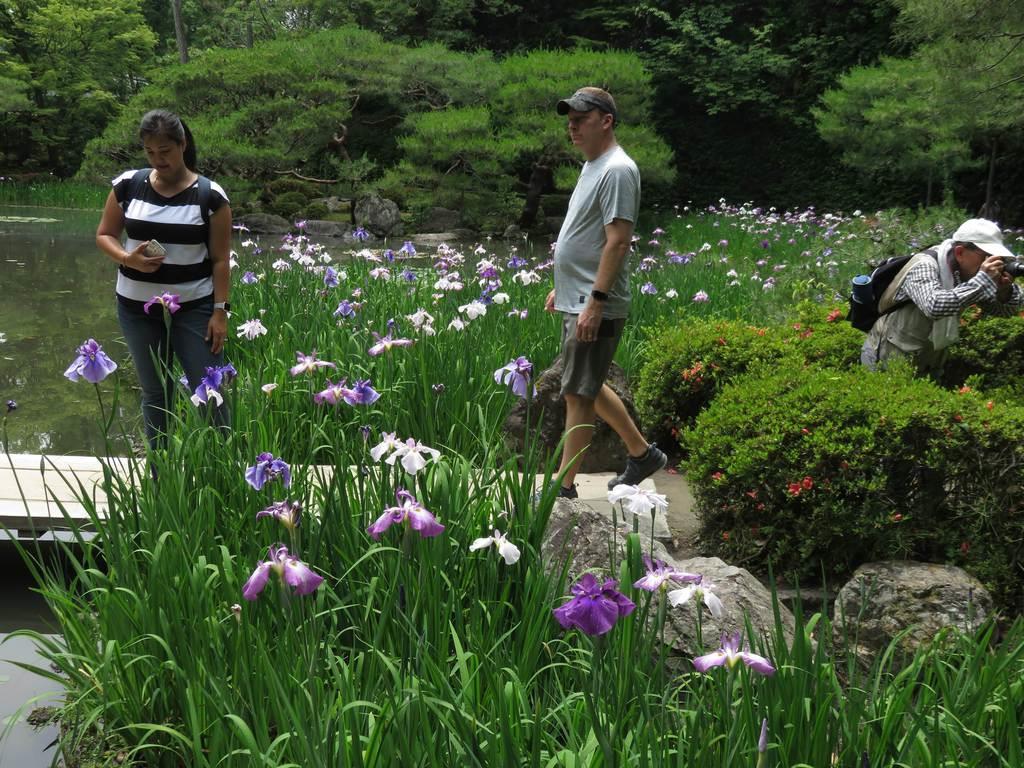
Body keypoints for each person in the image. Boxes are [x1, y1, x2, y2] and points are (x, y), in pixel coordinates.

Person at [543, 87, 667, 498]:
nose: (572, 126)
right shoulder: (593, 165)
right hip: (577, 295)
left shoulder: (617, 169)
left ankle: (563, 487)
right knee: (586, 382)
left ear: (606, 121)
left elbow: (618, 241)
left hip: (595, 302)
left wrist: (595, 301)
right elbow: (587, 236)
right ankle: (642, 453)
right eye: (570, 119)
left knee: (577, 392)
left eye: (580, 118)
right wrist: (561, 287)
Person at [96, 109, 232, 449]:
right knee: (155, 391)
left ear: (182, 145)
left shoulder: (210, 196)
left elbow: (219, 259)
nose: (158, 160)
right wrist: (128, 258)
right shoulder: (128, 185)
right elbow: (105, 235)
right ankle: (161, 477)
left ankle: (222, 472)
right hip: (135, 307)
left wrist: (220, 312)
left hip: (193, 307)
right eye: (150, 152)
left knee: (208, 389)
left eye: (166, 152)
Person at [861, 218, 1023, 377]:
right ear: (960, 252)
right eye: (987, 256)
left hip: (929, 364)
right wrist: (983, 282)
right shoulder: (924, 265)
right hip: (885, 361)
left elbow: (1004, 312)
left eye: (998, 257)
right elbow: (934, 305)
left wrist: (1003, 291)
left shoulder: (970, 273)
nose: (994, 263)